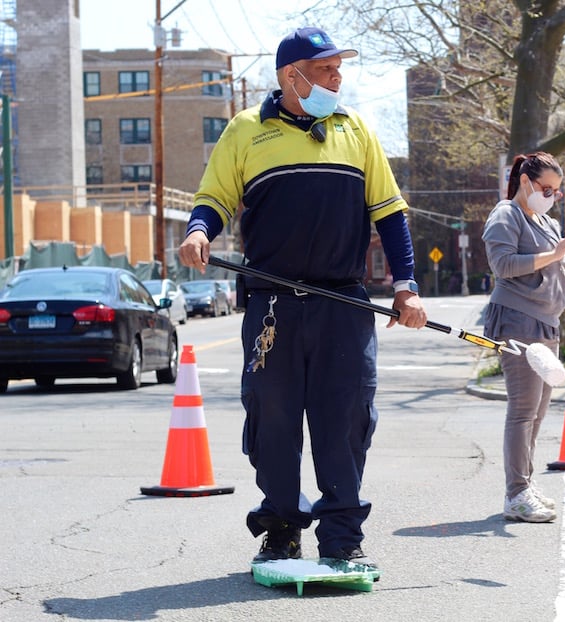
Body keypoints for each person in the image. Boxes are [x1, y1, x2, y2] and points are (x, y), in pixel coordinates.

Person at [177, 26, 427, 567]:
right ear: (292, 76)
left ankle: (342, 538)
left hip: (344, 304)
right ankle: (283, 530)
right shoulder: (246, 130)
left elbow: (389, 212)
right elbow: (214, 197)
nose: (338, 79)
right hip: (272, 305)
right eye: (326, 70)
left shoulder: (354, 128)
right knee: (273, 419)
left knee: (346, 421)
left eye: (339, 69)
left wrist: (406, 287)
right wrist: (200, 231)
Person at [482, 152, 565, 523]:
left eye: (557, 192)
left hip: (546, 321)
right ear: (525, 182)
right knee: (523, 409)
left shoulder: (547, 222)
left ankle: (523, 485)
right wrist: (555, 253)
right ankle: (515, 493)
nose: (551, 196)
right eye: (546, 188)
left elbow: (558, 270)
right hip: (517, 320)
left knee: (538, 411)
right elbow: (503, 265)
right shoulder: (505, 215)